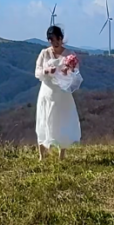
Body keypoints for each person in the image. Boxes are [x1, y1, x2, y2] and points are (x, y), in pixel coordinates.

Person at [34, 25, 81, 161]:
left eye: (59, 39)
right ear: (49, 40)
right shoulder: (44, 53)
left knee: (62, 121)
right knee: (44, 120)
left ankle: (62, 154)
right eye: (54, 40)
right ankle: (42, 155)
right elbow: (37, 71)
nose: (57, 42)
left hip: (62, 92)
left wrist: (68, 70)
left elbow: (75, 70)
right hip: (47, 92)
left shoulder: (69, 53)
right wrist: (47, 71)